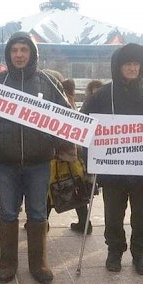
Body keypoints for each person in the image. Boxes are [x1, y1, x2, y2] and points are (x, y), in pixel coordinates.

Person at [0, 32, 76, 284]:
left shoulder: (46, 82)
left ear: (32, 54)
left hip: (39, 163)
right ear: (9, 55)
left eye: (24, 50)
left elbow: (66, 116)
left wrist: (50, 141)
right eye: (14, 50)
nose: (19, 54)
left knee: (37, 212)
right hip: (6, 162)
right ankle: (7, 262)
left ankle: (38, 262)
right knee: (8, 212)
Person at [81, 43, 143, 274]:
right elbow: (84, 125)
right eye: (127, 64)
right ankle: (114, 251)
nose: (132, 68)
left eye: (136, 64)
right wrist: (90, 161)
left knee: (142, 216)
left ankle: (140, 253)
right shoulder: (102, 94)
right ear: (118, 67)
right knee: (113, 214)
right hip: (113, 171)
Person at [60, 78, 92, 234]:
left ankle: (41, 223)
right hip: (73, 153)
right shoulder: (69, 99)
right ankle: (85, 223)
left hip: (64, 153)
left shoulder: (61, 100)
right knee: (75, 186)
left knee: (54, 188)